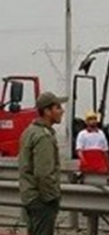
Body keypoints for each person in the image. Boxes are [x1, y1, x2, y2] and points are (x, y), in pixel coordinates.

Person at [19, 92, 66, 235]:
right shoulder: (43, 136)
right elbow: (43, 173)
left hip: (30, 197)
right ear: (47, 111)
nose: (62, 111)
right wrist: (51, 198)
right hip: (40, 201)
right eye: (57, 108)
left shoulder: (30, 131)